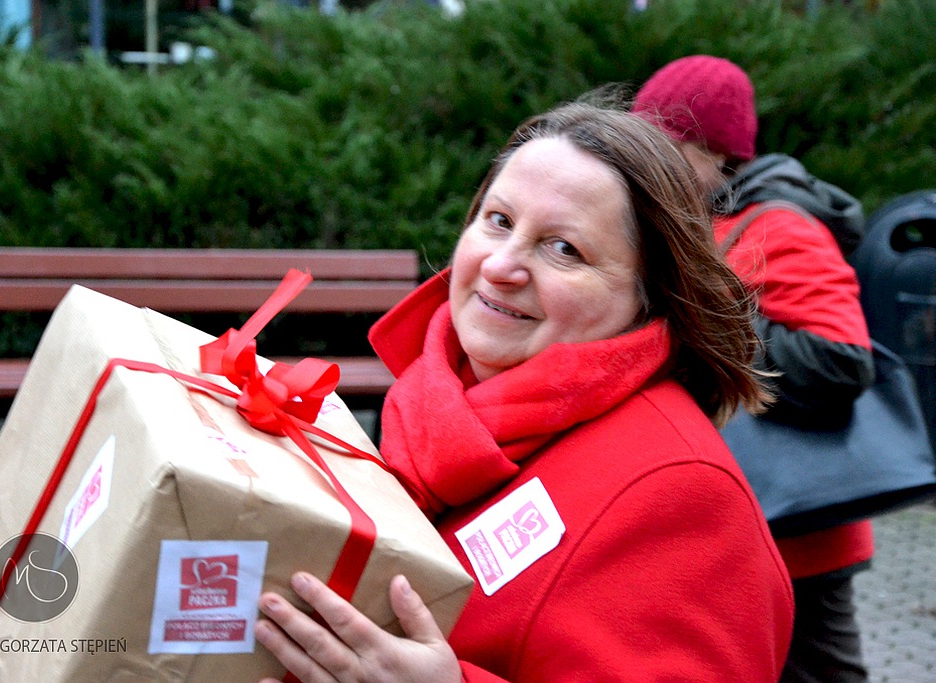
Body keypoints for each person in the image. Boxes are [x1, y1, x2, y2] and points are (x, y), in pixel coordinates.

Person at [254, 100, 794, 682]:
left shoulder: (684, 494)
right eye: (499, 220)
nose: (502, 265)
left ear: (650, 297)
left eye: (565, 249)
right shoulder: (435, 407)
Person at [632, 55, 876, 683]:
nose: (641, 166)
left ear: (713, 153)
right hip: (737, 530)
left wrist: (703, 316)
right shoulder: (700, 225)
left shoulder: (780, 226)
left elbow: (842, 362)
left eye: (662, 146)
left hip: (799, 537)